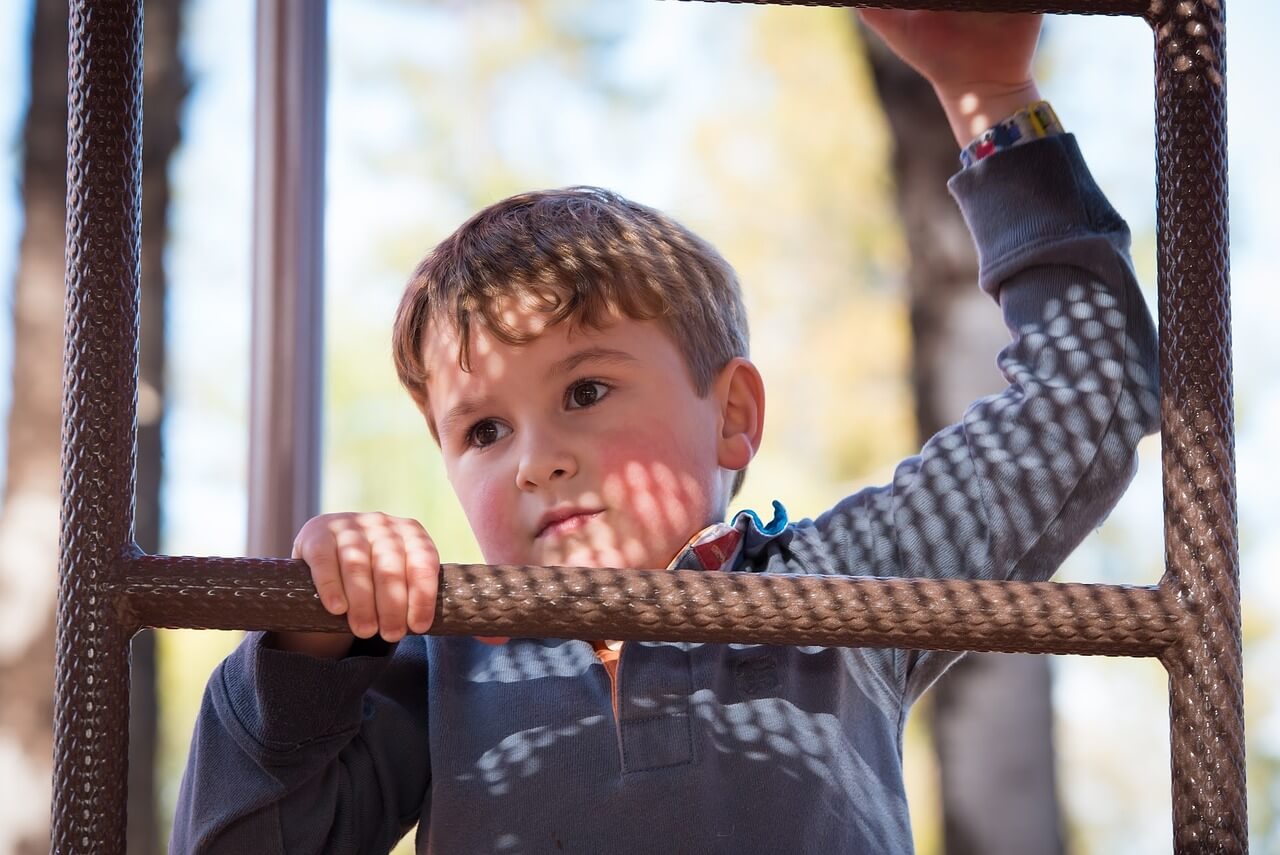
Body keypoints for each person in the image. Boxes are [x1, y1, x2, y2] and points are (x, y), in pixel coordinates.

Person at [172, 9, 1159, 854]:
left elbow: (1083, 401)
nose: (535, 460)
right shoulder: (442, 661)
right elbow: (242, 839)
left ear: (730, 416)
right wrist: (305, 645)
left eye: (585, 391)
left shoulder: (840, 589)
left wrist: (990, 98)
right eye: (480, 431)